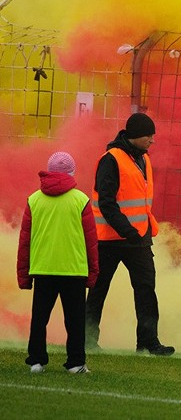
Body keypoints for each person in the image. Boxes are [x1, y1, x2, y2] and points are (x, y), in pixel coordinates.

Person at [85, 112, 175, 356]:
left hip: (138, 238)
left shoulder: (143, 159)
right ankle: (87, 341)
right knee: (98, 289)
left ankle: (148, 343)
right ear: (135, 136)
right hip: (110, 239)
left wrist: (138, 232)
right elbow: (106, 202)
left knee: (146, 289)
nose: (152, 141)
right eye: (148, 136)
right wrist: (127, 230)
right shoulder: (110, 159)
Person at [17, 151, 99, 374]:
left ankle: (36, 361)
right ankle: (75, 363)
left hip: (43, 268)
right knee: (75, 321)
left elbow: (24, 240)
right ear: (72, 173)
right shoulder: (81, 200)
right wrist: (93, 272)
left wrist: (23, 275)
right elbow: (91, 240)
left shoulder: (34, 200)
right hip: (73, 269)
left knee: (39, 319)